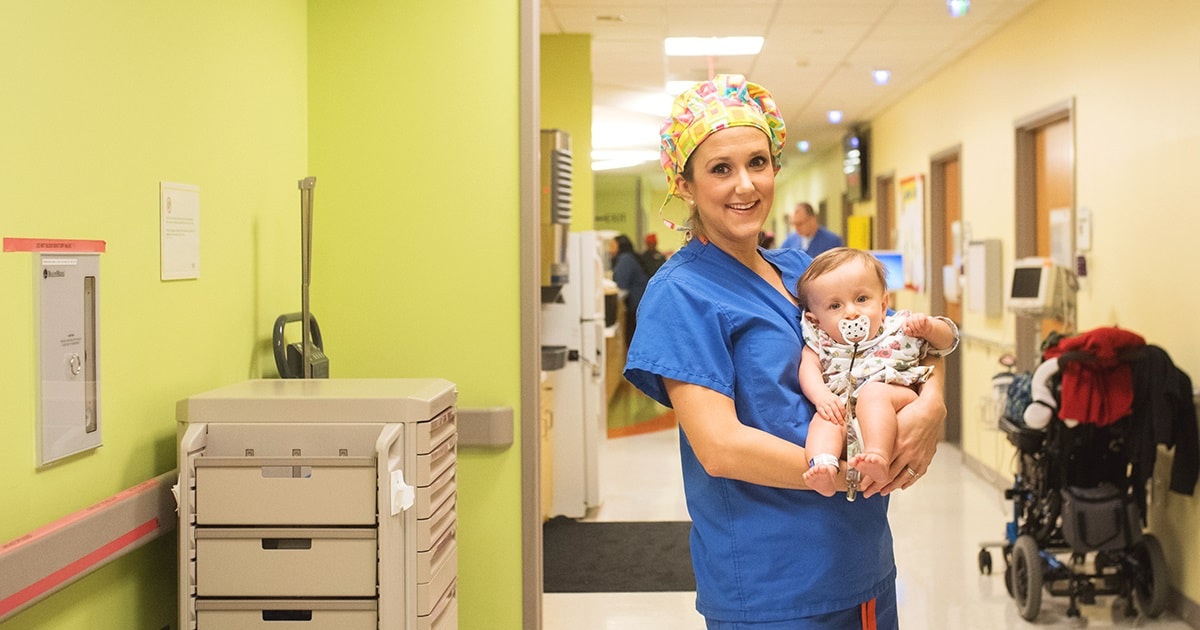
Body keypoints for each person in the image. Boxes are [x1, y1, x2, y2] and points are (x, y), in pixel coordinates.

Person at [624, 74, 946, 629]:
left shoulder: (804, 275)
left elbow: (899, 340)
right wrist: (848, 471)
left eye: (758, 161)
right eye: (720, 169)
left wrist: (932, 405)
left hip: (863, 559)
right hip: (774, 586)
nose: (745, 185)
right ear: (684, 183)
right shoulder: (679, 294)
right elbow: (720, 447)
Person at [797, 248, 959, 497]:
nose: (851, 312)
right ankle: (824, 467)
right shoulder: (822, 342)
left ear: (883, 305)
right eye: (835, 305)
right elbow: (808, 369)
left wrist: (929, 328)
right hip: (845, 406)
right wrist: (821, 397)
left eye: (861, 299)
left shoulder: (897, 329)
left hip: (892, 394)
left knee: (873, 394)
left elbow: (947, 342)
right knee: (825, 420)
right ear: (815, 320)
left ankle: (878, 456)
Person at [609, 233, 648, 347]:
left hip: (635, 305)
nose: (609, 249)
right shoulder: (630, 257)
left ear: (619, 246)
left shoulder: (625, 259)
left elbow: (621, 286)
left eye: (612, 245)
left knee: (631, 340)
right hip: (640, 303)